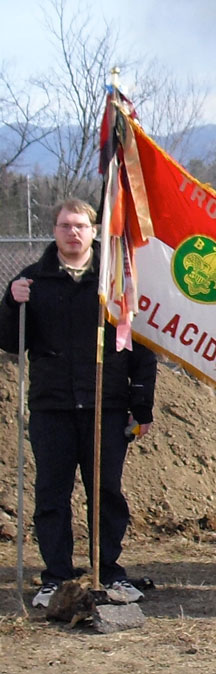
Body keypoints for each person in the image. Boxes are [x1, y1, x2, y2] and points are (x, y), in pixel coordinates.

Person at [0, 198, 157, 607]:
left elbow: (142, 347)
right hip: (51, 407)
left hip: (106, 406)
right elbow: (9, 341)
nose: (73, 233)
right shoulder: (32, 281)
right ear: (54, 231)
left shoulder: (116, 282)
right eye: (65, 226)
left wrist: (142, 405)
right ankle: (55, 576)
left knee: (106, 493)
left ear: (94, 231)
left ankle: (109, 572)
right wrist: (10, 302)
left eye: (81, 226)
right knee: (51, 494)